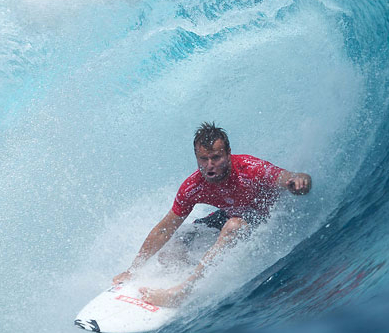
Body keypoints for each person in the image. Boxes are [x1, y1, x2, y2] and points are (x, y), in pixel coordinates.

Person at [112, 122, 312, 307]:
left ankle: (183, 291)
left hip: (263, 219)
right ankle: (197, 271)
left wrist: (299, 181)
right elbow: (164, 229)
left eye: (216, 157)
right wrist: (133, 269)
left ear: (228, 154)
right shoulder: (193, 186)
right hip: (229, 214)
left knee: (234, 226)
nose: (209, 165)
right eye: (203, 159)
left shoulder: (250, 168)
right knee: (170, 253)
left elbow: (291, 177)